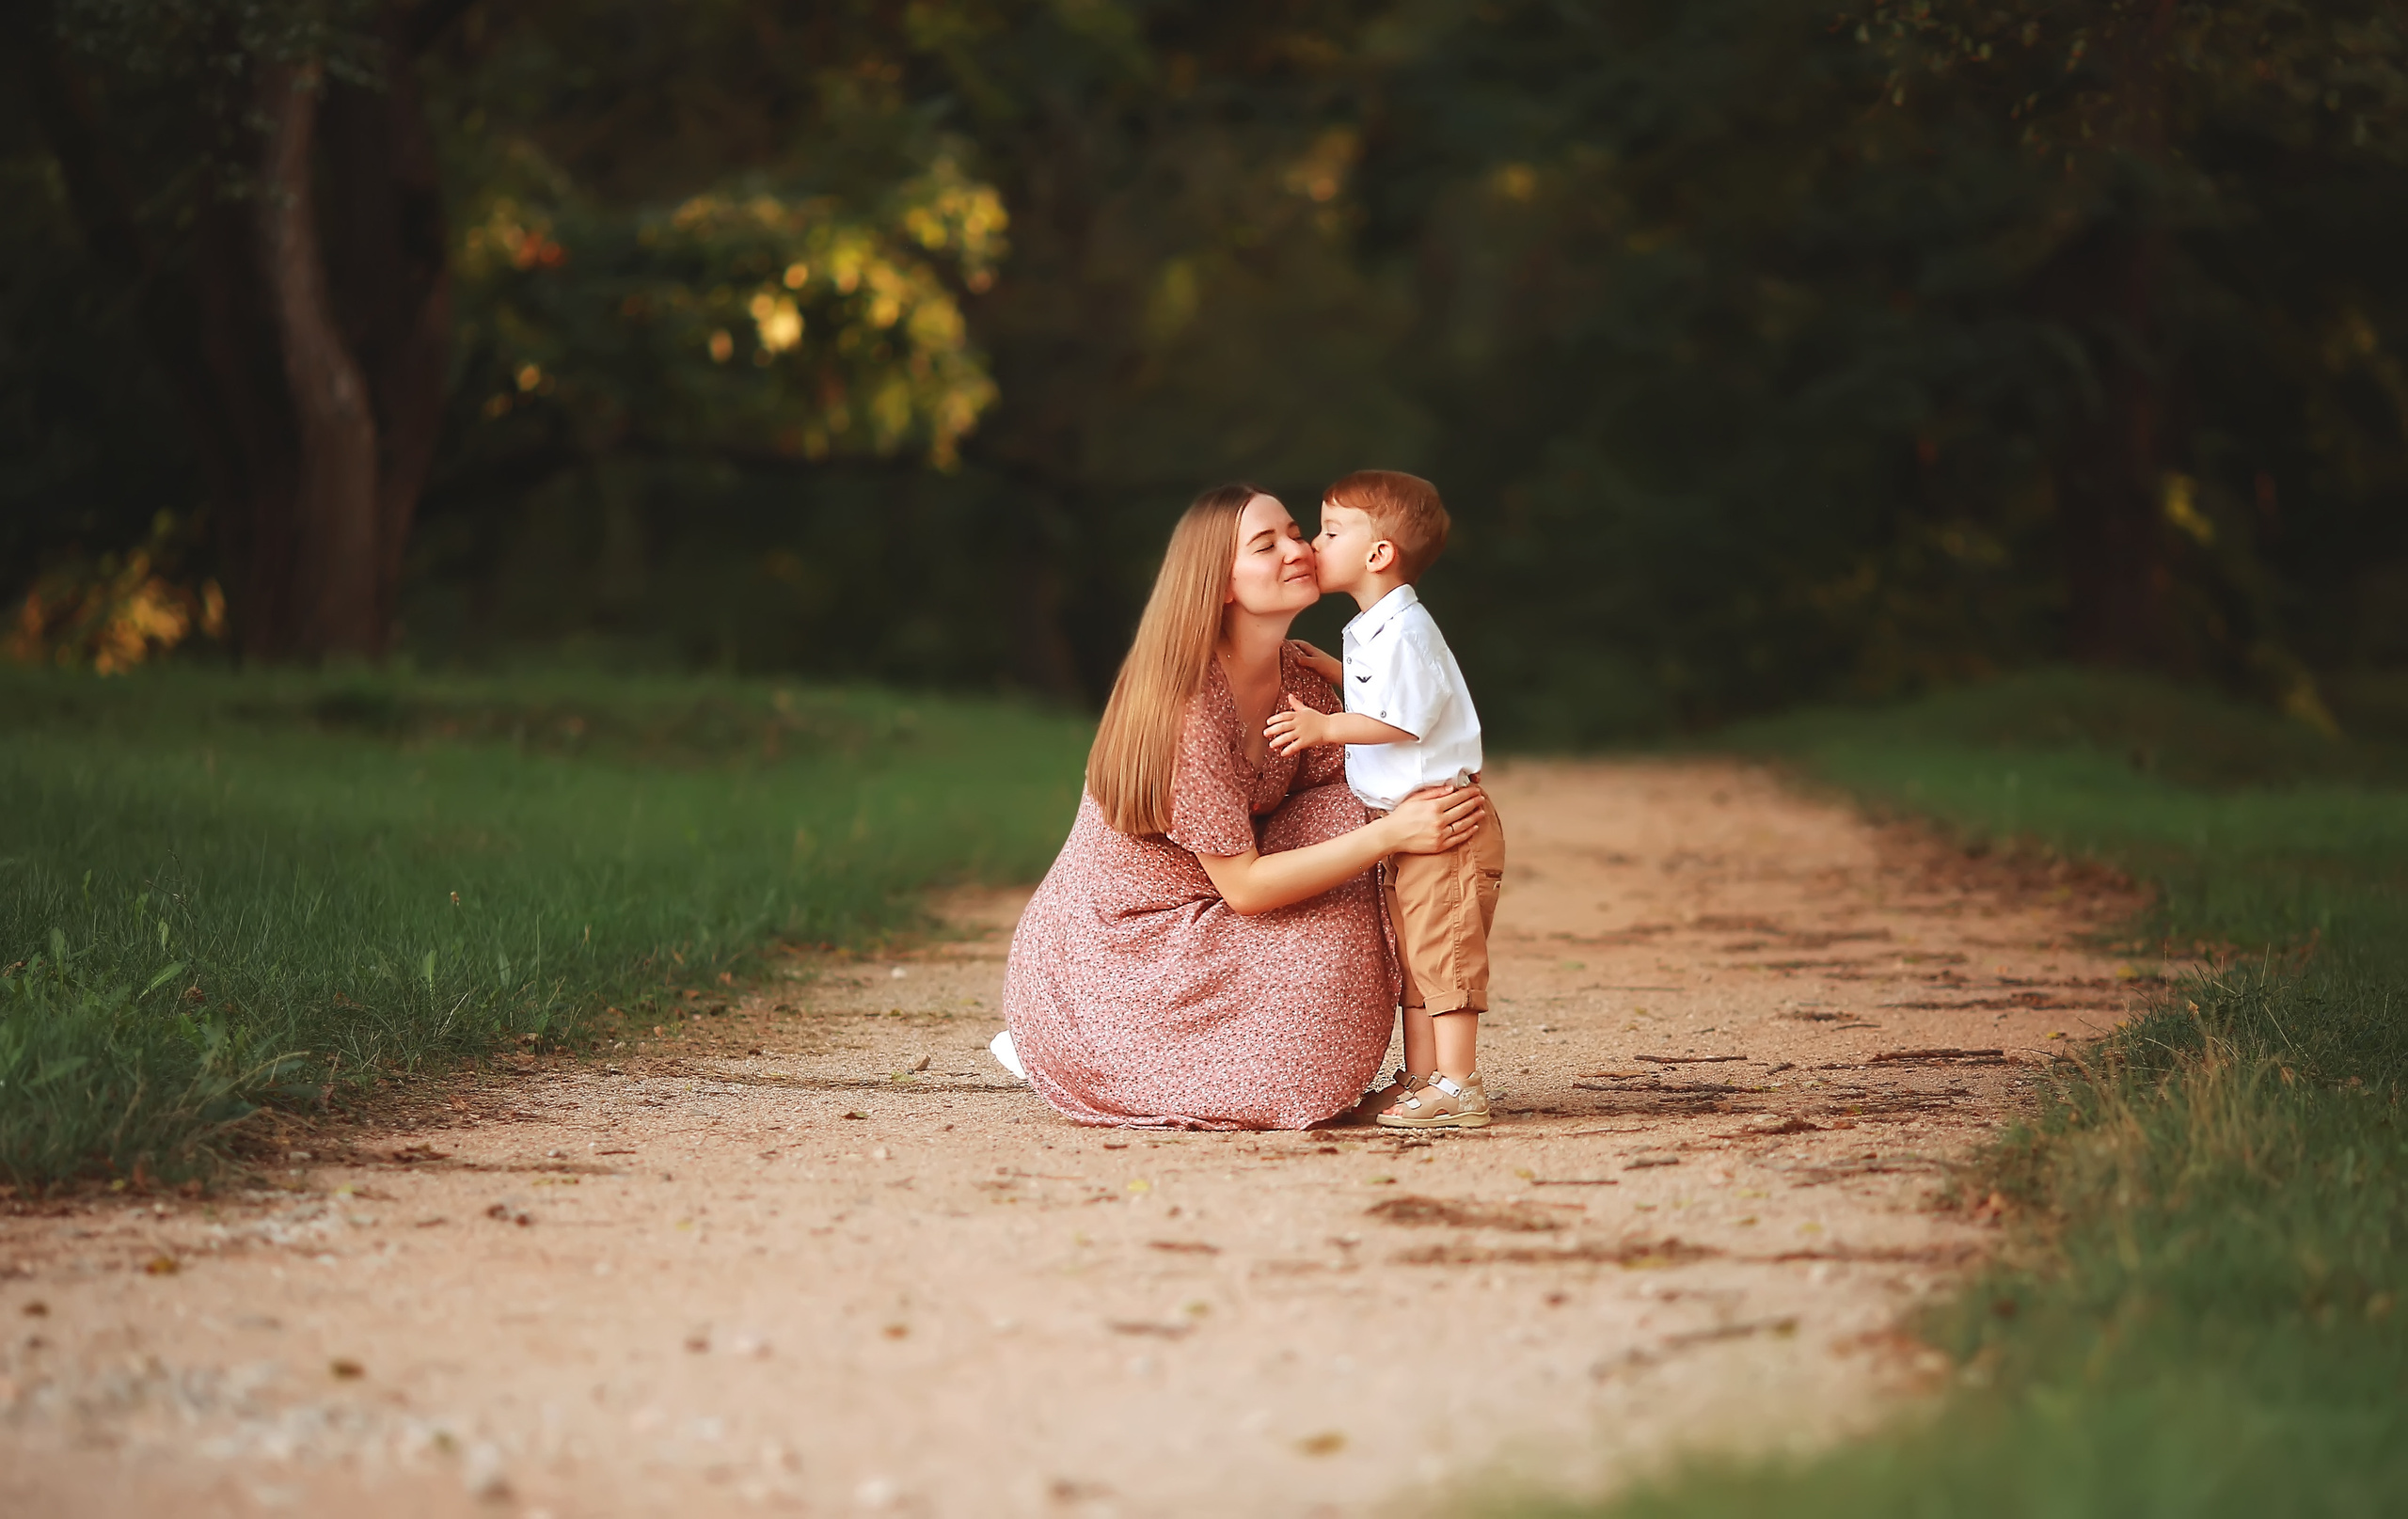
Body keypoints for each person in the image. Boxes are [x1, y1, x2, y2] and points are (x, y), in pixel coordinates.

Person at [995, 483, 1488, 1130]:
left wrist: (1418, 813)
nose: (1299, 548)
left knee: (1375, 802)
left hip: (1216, 915)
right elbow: (1249, 889)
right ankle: (1085, 1051)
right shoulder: (1186, 710)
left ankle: (1437, 1075)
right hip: (1131, 950)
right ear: (1220, 584)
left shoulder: (1300, 676)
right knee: (1376, 833)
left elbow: (1389, 755)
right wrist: (1394, 833)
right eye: (1267, 543)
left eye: (1295, 530)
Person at [1267, 470, 1503, 1130]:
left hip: (1442, 824)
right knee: (1412, 959)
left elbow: (1407, 718)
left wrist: (1326, 725)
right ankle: (1422, 1076)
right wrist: (1333, 673)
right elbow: (1392, 692)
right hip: (1406, 825)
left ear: (1378, 554)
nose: (1313, 543)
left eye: (1330, 531)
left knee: (1444, 951)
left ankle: (1461, 1084)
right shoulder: (1376, 626)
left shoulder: (1405, 629)